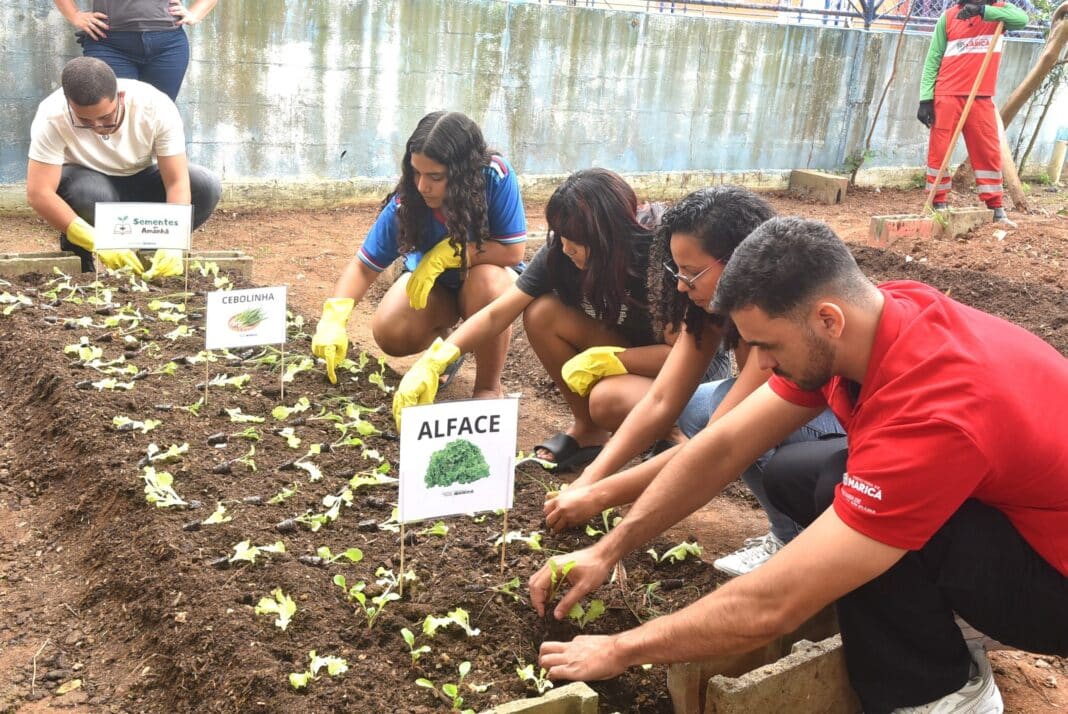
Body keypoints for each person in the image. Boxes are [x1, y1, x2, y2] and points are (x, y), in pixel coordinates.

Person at [529, 217, 1068, 714]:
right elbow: (724, 446)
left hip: (1055, 589)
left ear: (827, 320)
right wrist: (607, 549)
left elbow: (774, 607)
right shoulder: (877, 316)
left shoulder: (937, 409)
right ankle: (931, 616)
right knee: (807, 475)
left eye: (767, 345)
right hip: (1026, 521)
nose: (759, 364)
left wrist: (621, 648)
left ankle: (945, 694)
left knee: (861, 505)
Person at [544, 187, 843, 576]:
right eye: (676, 271)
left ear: (740, 261)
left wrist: (599, 498)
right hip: (780, 418)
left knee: (732, 427)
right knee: (696, 408)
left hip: (835, 433)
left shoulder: (782, 320)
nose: (682, 285)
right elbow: (661, 400)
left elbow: (721, 442)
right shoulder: (712, 307)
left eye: (691, 273)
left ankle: (791, 538)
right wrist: (589, 478)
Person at [391, 168, 679, 470]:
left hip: (680, 375)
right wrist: (435, 361)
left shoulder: (656, 260)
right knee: (543, 313)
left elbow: (681, 356)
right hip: (629, 355)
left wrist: (615, 360)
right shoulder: (562, 253)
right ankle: (589, 431)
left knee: (607, 399)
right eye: (563, 238)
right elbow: (496, 313)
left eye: (577, 242)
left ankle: (674, 437)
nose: (566, 249)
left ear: (607, 236)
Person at [312, 111, 527, 400]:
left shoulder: (494, 176)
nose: (422, 186)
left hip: (485, 279)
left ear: (463, 173)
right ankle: (447, 349)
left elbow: (513, 251)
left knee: (487, 282)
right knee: (390, 330)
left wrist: (452, 254)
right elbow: (364, 266)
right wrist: (334, 317)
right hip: (435, 286)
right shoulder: (408, 202)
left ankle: (488, 387)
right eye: (416, 172)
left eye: (435, 177)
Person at [26, 57, 221, 277]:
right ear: (69, 103)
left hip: (142, 178)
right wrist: (94, 238)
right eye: (85, 121)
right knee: (86, 192)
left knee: (205, 185)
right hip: (91, 185)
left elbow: (176, 180)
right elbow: (38, 192)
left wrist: (174, 240)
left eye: (106, 117)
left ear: (120, 97)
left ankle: (152, 256)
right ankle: (82, 255)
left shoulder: (155, 106)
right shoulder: (52, 115)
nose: (98, 127)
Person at [917, 0, 1028, 225]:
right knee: (939, 150)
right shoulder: (948, 17)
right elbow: (933, 59)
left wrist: (983, 11)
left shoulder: (999, 14)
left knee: (987, 151)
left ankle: (996, 208)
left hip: (981, 95)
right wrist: (925, 98)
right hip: (947, 94)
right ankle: (938, 203)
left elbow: (1022, 20)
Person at [54, 0, 218, 102]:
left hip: (168, 47)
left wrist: (195, 14)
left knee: (157, 120)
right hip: (109, 45)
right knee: (114, 119)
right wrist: (75, 15)